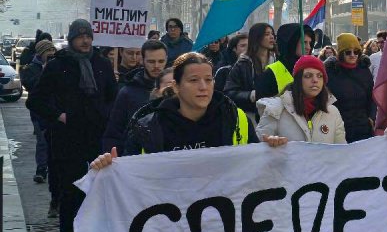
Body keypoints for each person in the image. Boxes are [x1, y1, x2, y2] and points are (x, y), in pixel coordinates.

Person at [25, 20, 117, 232]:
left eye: (88, 36)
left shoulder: (102, 64)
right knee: (70, 197)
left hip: (97, 139)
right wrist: (59, 115)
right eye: (80, 36)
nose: (85, 41)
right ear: (72, 39)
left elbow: (113, 96)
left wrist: (105, 114)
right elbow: (35, 100)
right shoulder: (58, 65)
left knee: (99, 196)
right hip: (68, 142)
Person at [90, 54, 286, 166]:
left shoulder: (236, 119)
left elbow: (255, 168)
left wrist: (268, 150)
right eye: (193, 80)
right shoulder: (147, 127)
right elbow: (130, 179)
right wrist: (109, 168)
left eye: (208, 80)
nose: (203, 87)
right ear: (176, 86)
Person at [256, 55, 346, 144]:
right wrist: (270, 142)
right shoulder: (276, 109)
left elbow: (341, 149)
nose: (315, 80)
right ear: (298, 80)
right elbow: (259, 144)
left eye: (319, 76)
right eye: (308, 76)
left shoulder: (333, 112)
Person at [103, 40, 169, 154]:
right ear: (142, 60)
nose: (157, 66)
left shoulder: (176, 90)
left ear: (166, 60)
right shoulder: (127, 93)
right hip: (134, 156)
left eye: (161, 61)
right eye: (151, 61)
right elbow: (114, 131)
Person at [324, 33, 376, 143]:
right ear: (341, 53)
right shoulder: (331, 72)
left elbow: (372, 97)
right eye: (348, 52)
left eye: (356, 51)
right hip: (340, 130)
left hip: (364, 129)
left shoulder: (364, 70)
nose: (353, 55)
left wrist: (372, 118)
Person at [20, 39, 56, 189]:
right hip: (39, 113)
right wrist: (46, 71)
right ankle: (41, 169)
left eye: (53, 51)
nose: (51, 54)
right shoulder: (30, 69)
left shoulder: (57, 66)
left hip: (55, 111)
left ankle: (53, 169)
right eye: (48, 52)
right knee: (42, 141)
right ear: (41, 53)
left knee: (55, 142)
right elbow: (31, 85)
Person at [224, 22, 276, 115]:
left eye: (272, 34)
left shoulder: (276, 61)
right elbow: (229, 93)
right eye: (267, 34)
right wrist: (252, 95)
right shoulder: (243, 64)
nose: (272, 37)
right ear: (256, 37)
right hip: (250, 114)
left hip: (272, 113)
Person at [256, 23, 314, 101]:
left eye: (310, 43)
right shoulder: (271, 73)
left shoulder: (313, 69)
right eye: (304, 42)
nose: (308, 47)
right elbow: (262, 105)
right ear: (291, 43)